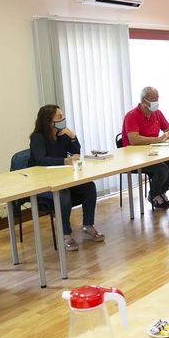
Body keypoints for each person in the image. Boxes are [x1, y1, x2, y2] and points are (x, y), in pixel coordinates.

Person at [29, 105, 105, 251]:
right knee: (63, 194)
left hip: (62, 177)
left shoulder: (62, 135)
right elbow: (41, 160)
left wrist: (72, 137)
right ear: (49, 121)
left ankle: (88, 225)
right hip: (42, 182)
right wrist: (64, 161)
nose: (63, 119)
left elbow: (76, 152)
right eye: (59, 117)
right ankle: (65, 234)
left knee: (89, 187)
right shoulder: (37, 138)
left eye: (62, 116)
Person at [121, 86, 169, 209]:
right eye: (154, 99)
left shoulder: (157, 113)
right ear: (144, 101)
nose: (157, 102)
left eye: (157, 98)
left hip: (153, 154)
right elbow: (133, 140)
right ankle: (155, 195)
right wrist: (159, 139)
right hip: (134, 157)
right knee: (162, 169)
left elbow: (168, 129)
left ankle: (158, 193)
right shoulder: (132, 116)